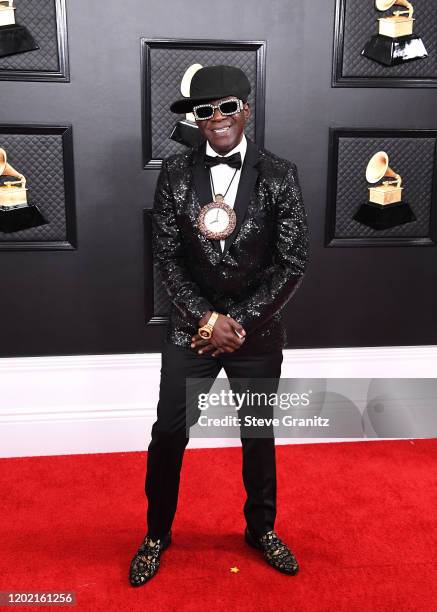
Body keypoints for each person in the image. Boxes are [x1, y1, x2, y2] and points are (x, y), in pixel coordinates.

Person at [129, 65, 309, 586]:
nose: (217, 118)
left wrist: (239, 322)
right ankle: (156, 534)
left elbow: (292, 262)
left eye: (227, 106)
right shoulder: (174, 173)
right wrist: (207, 320)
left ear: (245, 110)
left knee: (257, 434)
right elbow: (166, 257)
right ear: (196, 118)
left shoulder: (280, 174)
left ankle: (261, 529)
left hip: (256, 335)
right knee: (168, 434)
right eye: (205, 110)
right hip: (192, 330)